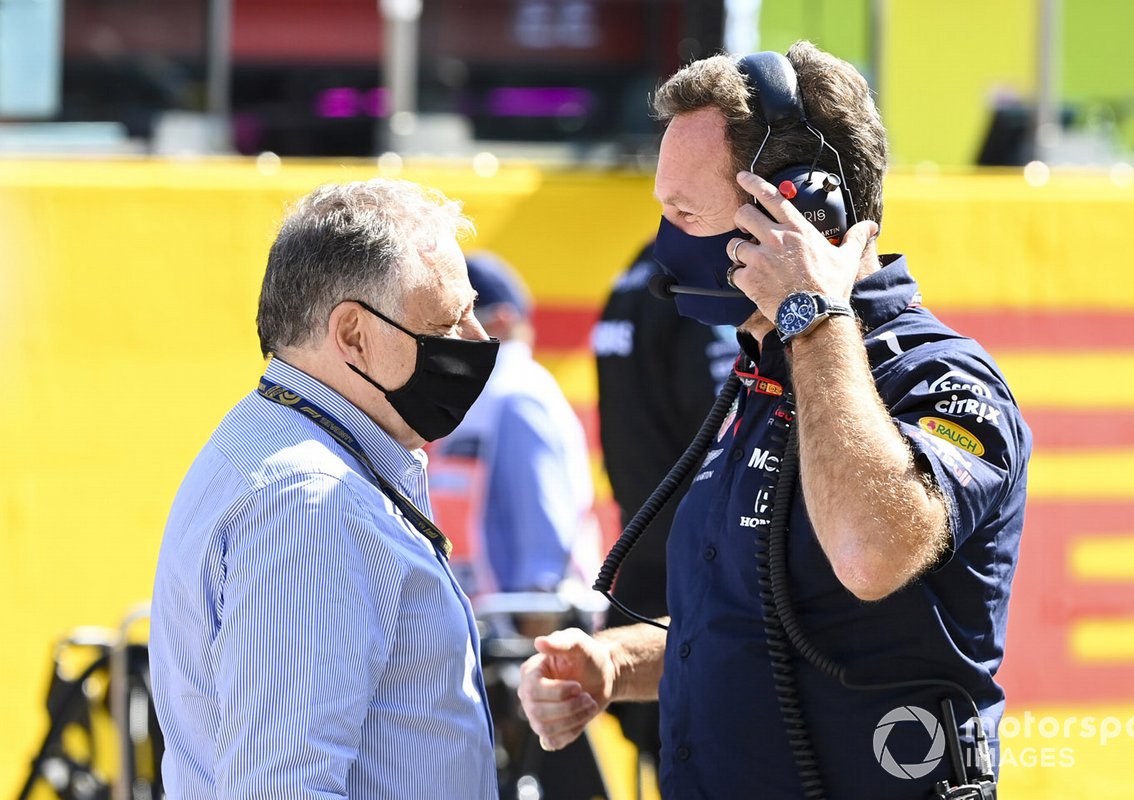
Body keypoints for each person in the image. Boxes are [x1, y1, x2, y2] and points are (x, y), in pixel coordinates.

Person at [518, 40, 1032, 799]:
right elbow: (763, 623)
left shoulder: (939, 378)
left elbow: (869, 553)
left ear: (801, 208)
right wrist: (614, 665)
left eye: (685, 213)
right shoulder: (766, 376)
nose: (666, 253)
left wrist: (813, 314)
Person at [150, 179, 500, 799]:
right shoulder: (314, 502)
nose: (477, 340)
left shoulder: (280, 444)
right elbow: (284, 786)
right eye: (447, 321)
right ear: (354, 336)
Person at [590, 240, 739, 769]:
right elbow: (732, 427)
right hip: (704, 575)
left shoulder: (630, 277)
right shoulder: (700, 285)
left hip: (643, 567)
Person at [428, 250, 599, 599]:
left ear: (500, 322)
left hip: (518, 635)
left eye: (455, 323)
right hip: (485, 625)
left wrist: (531, 630)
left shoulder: (519, 395)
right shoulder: (476, 398)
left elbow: (545, 547)